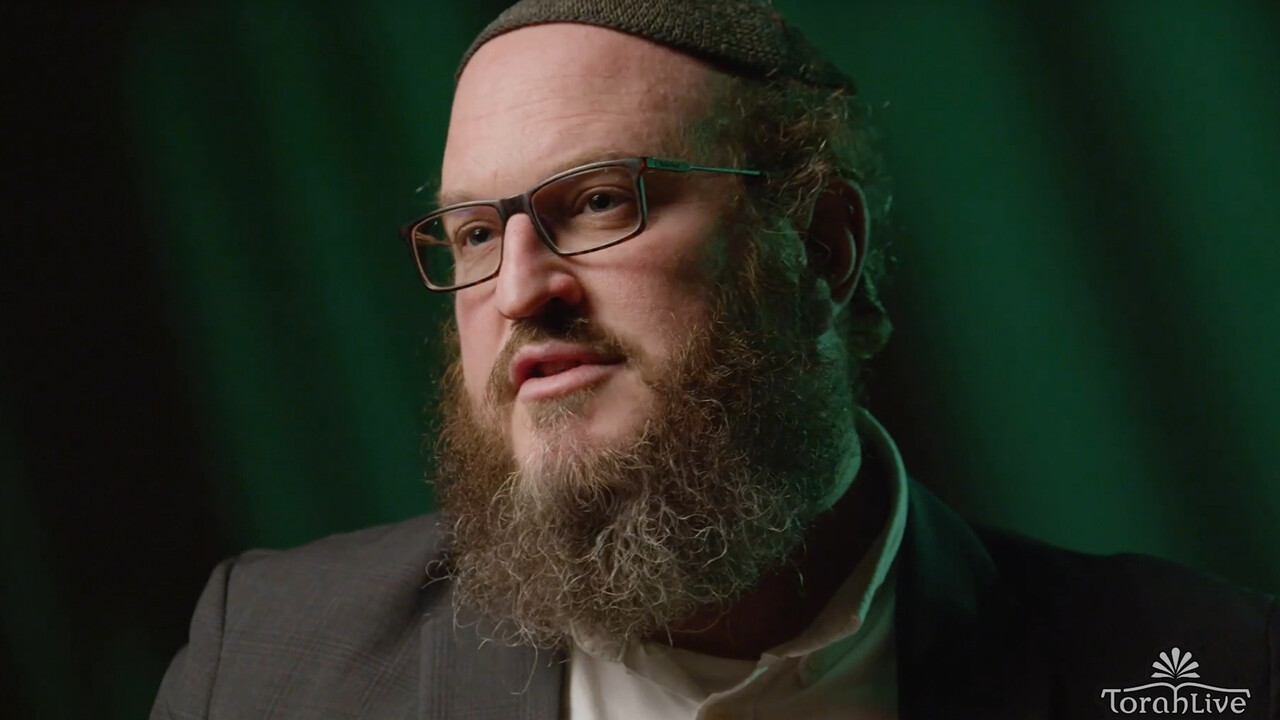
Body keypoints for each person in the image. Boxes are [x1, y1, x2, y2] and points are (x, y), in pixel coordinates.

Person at [152, 1, 1278, 718]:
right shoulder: (264, 666)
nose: (520, 288)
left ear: (821, 245)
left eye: (599, 201)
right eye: (475, 234)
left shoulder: (1214, 672)